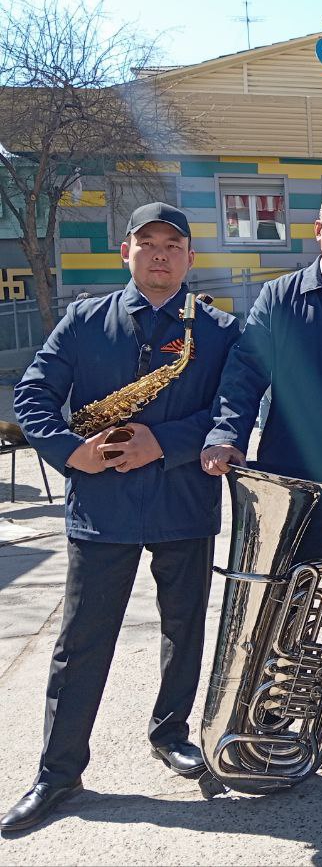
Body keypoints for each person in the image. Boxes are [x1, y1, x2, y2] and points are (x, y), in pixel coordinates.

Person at [3, 203, 240, 834]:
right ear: (125, 252)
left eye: (173, 244)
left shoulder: (215, 328)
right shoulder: (83, 320)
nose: (160, 254)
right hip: (101, 507)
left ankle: (171, 733)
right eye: (146, 243)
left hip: (182, 502)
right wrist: (69, 450)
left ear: (190, 257)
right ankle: (58, 771)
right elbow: (33, 395)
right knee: (80, 641)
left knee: (184, 627)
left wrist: (166, 443)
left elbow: (231, 410)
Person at [200, 189, 322, 746]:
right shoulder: (279, 297)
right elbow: (244, 374)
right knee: (287, 597)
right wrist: (225, 435)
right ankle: (279, 705)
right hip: (296, 477)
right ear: (318, 231)